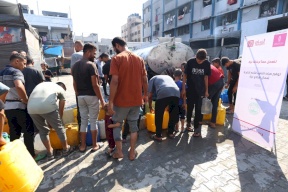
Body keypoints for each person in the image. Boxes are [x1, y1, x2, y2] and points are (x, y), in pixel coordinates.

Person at [108, 37, 148, 161]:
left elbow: (114, 81)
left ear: (117, 45)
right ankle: (132, 153)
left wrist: (110, 102)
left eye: (114, 48)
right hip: (136, 100)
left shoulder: (116, 59)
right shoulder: (139, 59)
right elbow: (145, 79)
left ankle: (119, 152)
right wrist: (145, 95)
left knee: (117, 126)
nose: (114, 50)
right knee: (133, 126)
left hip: (121, 102)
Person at [72, 43, 105, 153]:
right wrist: (102, 100)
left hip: (80, 97)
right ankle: (95, 145)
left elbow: (74, 83)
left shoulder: (75, 66)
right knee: (93, 121)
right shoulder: (91, 65)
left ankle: (83, 146)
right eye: (94, 53)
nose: (95, 55)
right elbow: (95, 85)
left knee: (84, 121)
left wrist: (78, 94)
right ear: (88, 52)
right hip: (91, 96)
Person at [0, 53, 35, 157]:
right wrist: (25, 100)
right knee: (28, 131)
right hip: (19, 106)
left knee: (14, 134)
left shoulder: (1, 72)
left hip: (7, 107)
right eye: (23, 64)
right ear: (17, 61)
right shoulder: (16, 71)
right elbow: (19, 86)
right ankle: (30, 156)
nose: (24, 66)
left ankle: (17, 156)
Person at [28, 82, 73, 160]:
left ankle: (50, 153)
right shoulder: (61, 89)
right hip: (46, 106)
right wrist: (58, 121)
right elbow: (61, 109)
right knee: (59, 128)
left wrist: (50, 122)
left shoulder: (45, 85)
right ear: (63, 87)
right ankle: (66, 149)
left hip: (31, 108)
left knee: (42, 131)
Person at [182, 49, 211, 137]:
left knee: (198, 110)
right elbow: (185, 76)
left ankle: (196, 129)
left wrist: (206, 91)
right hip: (190, 89)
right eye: (198, 60)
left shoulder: (207, 64)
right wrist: (183, 88)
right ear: (196, 56)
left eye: (201, 60)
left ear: (204, 59)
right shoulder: (190, 62)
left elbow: (206, 77)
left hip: (201, 91)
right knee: (190, 108)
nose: (199, 62)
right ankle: (188, 124)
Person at [148, 75, 180, 141]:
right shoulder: (168, 77)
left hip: (163, 91)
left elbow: (150, 95)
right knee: (172, 113)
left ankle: (158, 135)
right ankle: (170, 133)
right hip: (176, 92)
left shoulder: (152, 79)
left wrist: (150, 106)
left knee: (159, 114)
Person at [174, 69, 186, 133]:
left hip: (174, 103)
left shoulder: (172, 83)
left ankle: (176, 127)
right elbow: (184, 94)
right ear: (180, 75)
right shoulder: (182, 83)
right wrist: (184, 103)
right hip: (181, 102)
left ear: (174, 75)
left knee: (176, 115)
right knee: (182, 116)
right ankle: (182, 128)